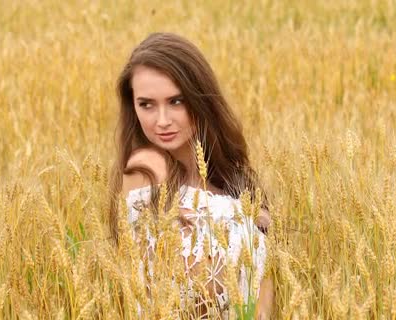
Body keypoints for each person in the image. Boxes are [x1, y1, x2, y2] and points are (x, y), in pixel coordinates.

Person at [108, 32, 273, 319]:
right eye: (146, 104)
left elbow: (265, 296)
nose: (162, 120)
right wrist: (244, 223)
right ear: (132, 107)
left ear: (200, 100)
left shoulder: (234, 182)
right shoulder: (144, 168)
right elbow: (186, 287)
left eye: (176, 101)